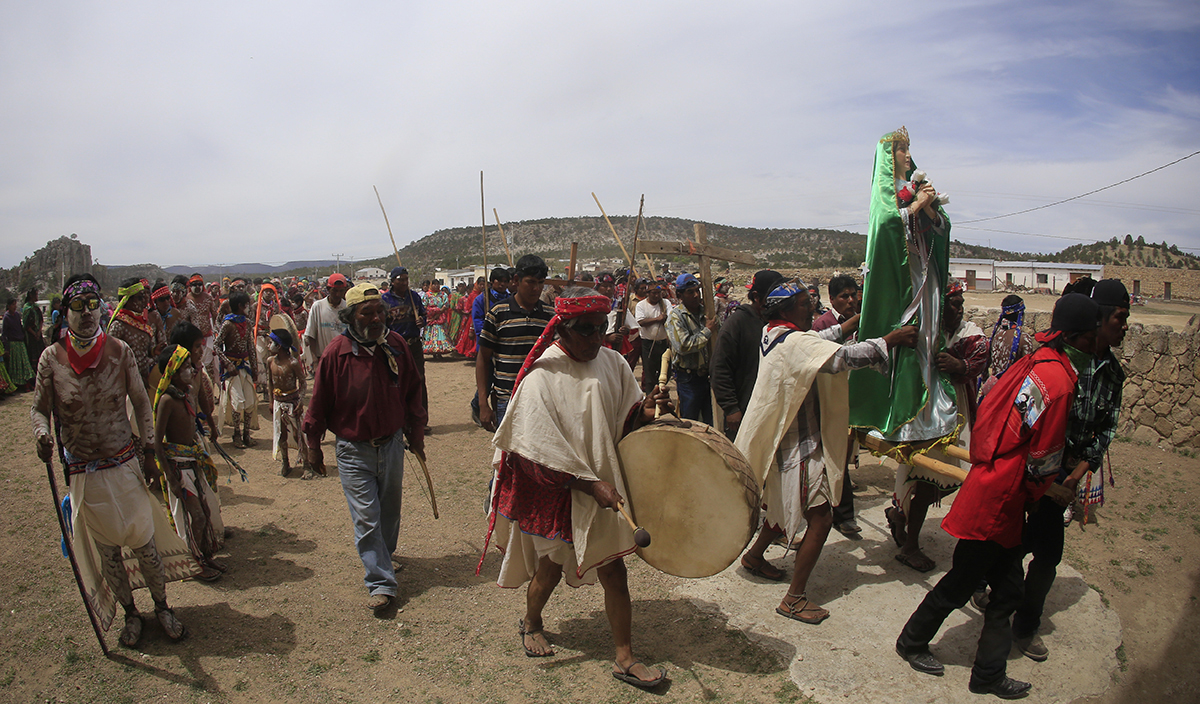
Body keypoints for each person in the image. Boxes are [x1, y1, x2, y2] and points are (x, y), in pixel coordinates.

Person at [895, 293, 1099, 700]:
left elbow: (1000, 420)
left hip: (997, 484)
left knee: (1005, 590)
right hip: (1001, 498)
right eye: (1096, 333)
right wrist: (1045, 490)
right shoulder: (1058, 383)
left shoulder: (1038, 365)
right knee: (962, 581)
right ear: (1082, 337)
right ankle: (912, 641)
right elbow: (1043, 453)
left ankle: (987, 674)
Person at [481, 287, 672, 689]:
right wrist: (585, 483)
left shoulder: (613, 362)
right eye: (586, 330)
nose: (596, 339)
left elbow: (624, 420)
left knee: (614, 570)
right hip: (560, 493)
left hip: (606, 491)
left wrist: (647, 411)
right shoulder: (542, 376)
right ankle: (531, 622)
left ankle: (625, 657)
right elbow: (534, 452)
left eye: (602, 329)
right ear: (562, 329)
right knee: (548, 571)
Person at [31, 274, 197, 647]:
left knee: (145, 545)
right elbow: (39, 410)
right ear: (65, 312)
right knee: (109, 555)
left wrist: (151, 453)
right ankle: (131, 614)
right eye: (78, 305)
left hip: (124, 466)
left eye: (93, 304)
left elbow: (141, 403)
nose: (88, 313)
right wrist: (41, 436)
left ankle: (162, 606)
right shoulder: (51, 360)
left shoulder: (119, 351)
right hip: (83, 475)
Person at [735, 282, 916, 622]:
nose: (811, 309)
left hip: (782, 439)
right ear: (787, 311)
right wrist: (889, 341)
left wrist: (848, 325)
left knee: (781, 504)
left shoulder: (772, 332)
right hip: (798, 445)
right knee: (820, 518)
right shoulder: (794, 342)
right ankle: (794, 598)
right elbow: (840, 359)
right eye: (805, 305)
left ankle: (755, 557)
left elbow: (816, 342)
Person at [1008, 279, 1130, 661]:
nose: (1124, 326)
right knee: (1013, 537)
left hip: (1063, 476)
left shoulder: (1112, 375)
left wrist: (1071, 480)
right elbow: (1025, 416)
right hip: (1030, 467)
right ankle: (991, 588)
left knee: (1045, 553)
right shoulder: (1060, 359)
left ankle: (1024, 625)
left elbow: (1103, 431)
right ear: (1098, 320)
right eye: (1119, 318)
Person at [303, 283, 426, 613]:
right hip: (353, 450)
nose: (376, 319)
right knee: (367, 518)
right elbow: (317, 405)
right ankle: (381, 583)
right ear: (350, 317)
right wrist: (313, 445)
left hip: (391, 446)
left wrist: (416, 433)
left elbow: (414, 390)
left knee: (389, 512)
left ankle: (384, 556)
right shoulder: (336, 354)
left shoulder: (396, 345)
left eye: (380, 312)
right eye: (367, 313)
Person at [886, 280, 988, 572]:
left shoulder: (971, 335)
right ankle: (910, 545)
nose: (960, 309)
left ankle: (901, 518)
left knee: (950, 477)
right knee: (927, 478)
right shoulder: (922, 333)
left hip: (957, 415)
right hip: (925, 416)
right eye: (953, 304)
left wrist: (960, 367)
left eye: (961, 303)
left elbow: (979, 361)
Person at [153, 345, 224, 583]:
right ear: (171, 371)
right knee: (195, 515)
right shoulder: (167, 401)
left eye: (189, 365)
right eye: (183, 367)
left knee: (203, 511)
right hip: (178, 467)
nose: (190, 370)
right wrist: (170, 477)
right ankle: (194, 562)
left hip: (192, 461)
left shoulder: (186, 395)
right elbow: (157, 441)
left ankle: (204, 556)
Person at [810, 274, 866, 537]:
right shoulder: (823, 325)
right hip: (828, 400)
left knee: (841, 456)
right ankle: (837, 513)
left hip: (853, 398)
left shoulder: (864, 324)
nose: (851, 300)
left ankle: (841, 512)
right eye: (844, 296)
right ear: (831, 299)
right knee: (831, 457)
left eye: (854, 294)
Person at [476, 255, 551, 432]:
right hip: (507, 400)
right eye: (531, 282)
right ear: (516, 280)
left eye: (540, 283)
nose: (536, 288)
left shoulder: (550, 316)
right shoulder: (498, 313)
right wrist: (483, 403)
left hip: (542, 399)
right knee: (508, 456)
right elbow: (483, 359)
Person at [711, 270, 786, 442]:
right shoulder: (737, 324)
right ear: (756, 296)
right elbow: (719, 367)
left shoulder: (777, 322)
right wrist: (731, 408)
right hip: (746, 408)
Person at [665, 273, 717, 424]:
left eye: (697, 291)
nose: (695, 295)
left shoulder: (706, 313)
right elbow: (683, 346)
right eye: (690, 292)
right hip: (689, 378)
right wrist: (707, 331)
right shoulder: (676, 317)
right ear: (680, 294)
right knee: (691, 421)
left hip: (708, 376)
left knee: (711, 419)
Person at [382, 267, 428, 416]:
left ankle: (420, 418)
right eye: (400, 279)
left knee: (419, 380)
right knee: (396, 382)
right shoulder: (384, 300)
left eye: (406, 279)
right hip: (394, 347)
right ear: (393, 281)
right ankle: (399, 417)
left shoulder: (414, 297)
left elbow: (423, 314)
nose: (404, 282)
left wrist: (422, 321)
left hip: (413, 344)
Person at [267, 329, 313, 479]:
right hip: (278, 402)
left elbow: (303, 383)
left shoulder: (293, 363)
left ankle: (307, 465)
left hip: (292, 402)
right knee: (281, 434)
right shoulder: (270, 361)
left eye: (271, 342)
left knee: (298, 433)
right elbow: (269, 382)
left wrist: (300, 401)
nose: (269, 345)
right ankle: (285, 463)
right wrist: (270, 400)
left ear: (279, 346)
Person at [215, 292, 258, 448]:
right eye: (247, 304)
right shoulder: (227, 324)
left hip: (245, 367)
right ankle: (236, 434)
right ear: (240, 306)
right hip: (232, 369)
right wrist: (228, 364)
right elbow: (216, 345)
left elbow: (251, 347)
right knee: (238, 402)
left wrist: (255, 368)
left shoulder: (247, 323)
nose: (248, 308)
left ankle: (247, 434)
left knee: (250, 401)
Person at [979, 294, 1035, 398]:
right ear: (1020, 314)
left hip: (994, 392)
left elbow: (985, 367)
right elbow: (1028, 372)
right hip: (1011, 393)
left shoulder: (995, 334)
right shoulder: (1023, 339)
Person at [107, 278, 157, 388]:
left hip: (144, 381)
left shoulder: (142, 323)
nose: (145, 301)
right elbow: (111, 360)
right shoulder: (118, 325)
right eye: (140, 298)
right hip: (125, 385)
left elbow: (146, 353)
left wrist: (154, 352)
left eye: (145, 296)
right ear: (127, 300)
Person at [303, 272, 349, 368]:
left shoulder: (347, 308)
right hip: (324, 358)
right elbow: (311, 335)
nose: (338, 294)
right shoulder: (318, 307)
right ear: (328, 289)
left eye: (341, 291)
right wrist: (315, 361)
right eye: (334, 290)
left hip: (344, 359)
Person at [635, 280, 671, 392]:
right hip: (648, 344)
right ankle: (651, 396)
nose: (656, 296)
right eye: (653, 293)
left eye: (658, 293)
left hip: (663, 343)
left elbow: (670, 318)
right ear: (648, 293)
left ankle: (658, 391)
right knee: (649, 374)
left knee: (666, 371)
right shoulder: (641, 305)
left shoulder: (665, 303)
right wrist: (657, 319)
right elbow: (640, 322)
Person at [186, 274, 221, 387]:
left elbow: (215, 314)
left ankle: (210, 390)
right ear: (190, 286)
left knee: (210, 366)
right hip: (192, 340)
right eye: (194, 285)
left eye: (199, 284)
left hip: (208, 337)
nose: (197, 287)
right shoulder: (187, 299)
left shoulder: (208, 298)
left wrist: (216, 329)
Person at [2, 297, 34, 390]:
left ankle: (27, 382)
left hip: (20, 342)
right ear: (8, 306)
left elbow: (20, 327)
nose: (15, 306)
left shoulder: (16, 315)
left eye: (15, 304)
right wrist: (6, 348)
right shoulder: (6, 317)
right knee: (17, 365)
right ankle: (19, 384)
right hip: (13, 343)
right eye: (13, 304)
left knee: (25, 363)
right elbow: (4, 333)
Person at [421, 281, 454, 358]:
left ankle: (440, 350)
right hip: (430, 318)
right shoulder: (427, 295)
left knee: (440, 333)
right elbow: (424, 306)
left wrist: (439, 311)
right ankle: (433, 351)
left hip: (440, 318)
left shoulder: (443, 295)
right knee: (431, 333)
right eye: (434, 284)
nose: (436, 286)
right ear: (431, 285)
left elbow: (446, 305)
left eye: (437, 284)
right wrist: (433, 312)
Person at [455, 278, 484, 358]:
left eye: (484, 284)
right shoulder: (473, 295)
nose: (482, 286)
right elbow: (468, 307)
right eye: (480, 284)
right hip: (473, 317)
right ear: (477, 285)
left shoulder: (486, 294)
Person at [22, 287, 46, 372]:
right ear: (31, 296)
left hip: (38, 335)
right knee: (32, 355)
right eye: (35, 294)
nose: (37, 296)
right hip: (31, 337)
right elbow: (26, 324)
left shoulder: (36, 307)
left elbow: (40, 320)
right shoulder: (27, 308)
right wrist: (34, 333)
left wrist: (39, 331)